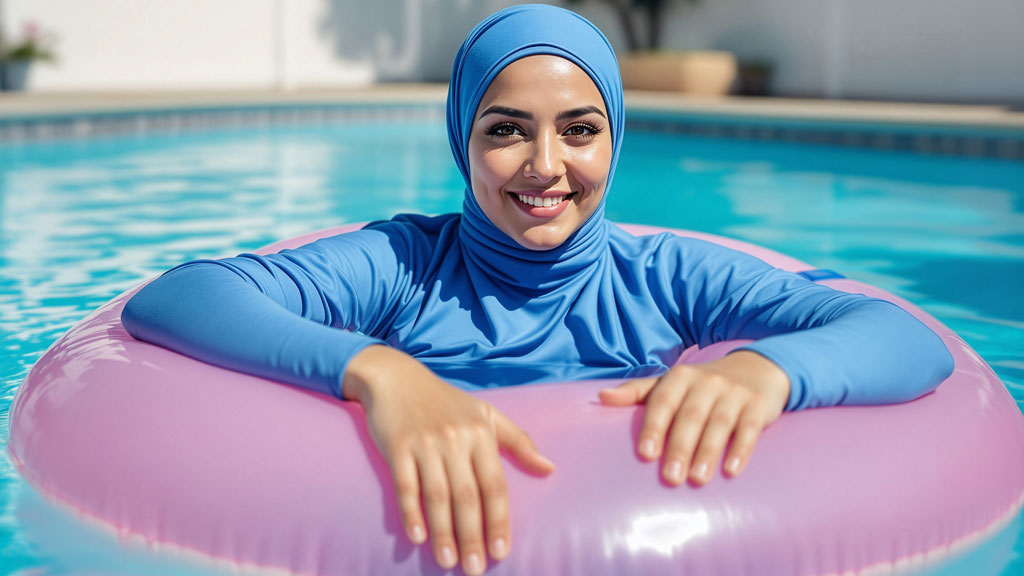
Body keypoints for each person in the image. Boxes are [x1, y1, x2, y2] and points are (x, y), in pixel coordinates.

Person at [122, 5, 954, 576]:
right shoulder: (404, 265)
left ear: (615, 138)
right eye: (507, 131)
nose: (546, 166)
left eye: (580, 131)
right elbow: (179, 298)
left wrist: (761, 373)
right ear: (462, 138)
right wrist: (380, 371)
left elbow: (904, 337)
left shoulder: (664, 278)